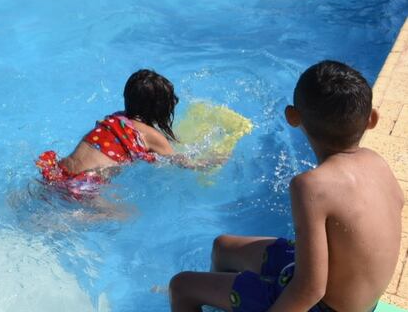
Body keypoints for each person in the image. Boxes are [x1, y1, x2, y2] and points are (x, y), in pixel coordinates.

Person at [169, 60, 404, 312]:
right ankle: (221, 302)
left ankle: (216, 296)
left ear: (292, 117)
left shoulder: (311, 187)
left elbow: (310, 288)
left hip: (323, 307)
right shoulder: (377, 162)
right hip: (358, 299)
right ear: (372, 119)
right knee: (222, 246)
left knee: (181, 286)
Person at [36, 70, 189, 199]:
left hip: (59, 172)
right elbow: (180, 161)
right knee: (126, 216)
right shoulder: (151, 135)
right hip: (84, 184)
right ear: (160, 109)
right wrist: (207, 163)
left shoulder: (115, 119)